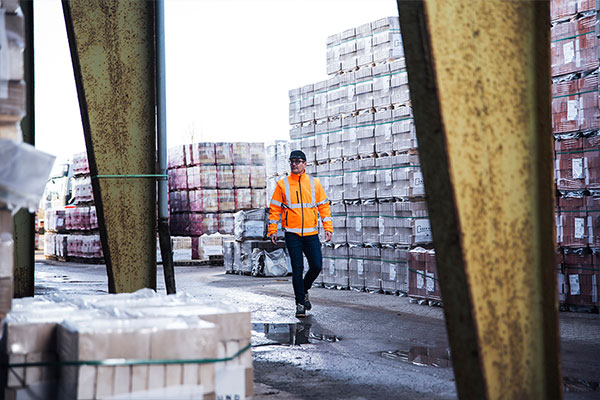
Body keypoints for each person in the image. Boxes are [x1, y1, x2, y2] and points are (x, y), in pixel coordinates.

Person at [268, 150, 333, 318]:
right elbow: (275, 209)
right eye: (291, 161)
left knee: (316, 266)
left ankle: (304, 290)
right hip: (292, 234)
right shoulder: (283, 184)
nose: (294, 164)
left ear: (305, 163)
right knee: (297, 268)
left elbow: (324, 207)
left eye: (297, 161)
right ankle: (299, 303)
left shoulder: (314, 183)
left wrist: (328, 227)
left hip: (311, 233)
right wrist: (273, 230)